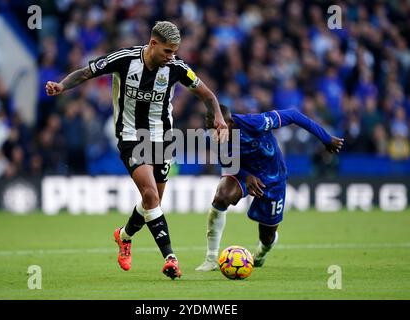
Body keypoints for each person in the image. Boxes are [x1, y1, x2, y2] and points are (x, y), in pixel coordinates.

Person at [46, 21, 228, 279]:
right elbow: (86, 73)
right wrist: (62, 86)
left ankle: (123, 236)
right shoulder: (125, 59)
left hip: (163, 139)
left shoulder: (176, 68)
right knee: (151, 196)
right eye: (167, 51)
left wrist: (218, 117)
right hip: (131, 136)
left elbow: (208, 95)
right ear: (153, 43)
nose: (171, 56)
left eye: (174, 51)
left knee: (151, 203)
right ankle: (170, 258)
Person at [196, 104, 344, 271]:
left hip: (272, 176)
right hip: (241, 172)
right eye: (209, 129)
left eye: (216, 129)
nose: (213, 134)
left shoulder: (255, 122)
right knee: (222, 197)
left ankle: (261, 252)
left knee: (267, 236)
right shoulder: (214, 137)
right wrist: (246, 176)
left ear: (229, 123)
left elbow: (294, 115)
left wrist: (326, 138)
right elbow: (225, 161)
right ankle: (211, 258)